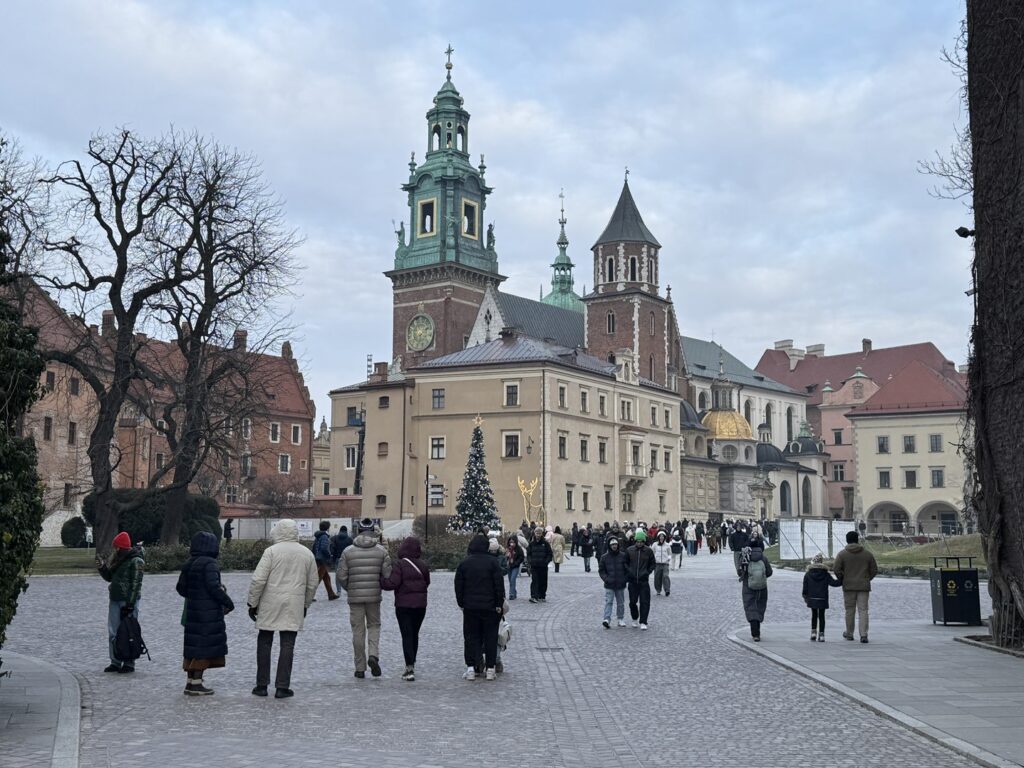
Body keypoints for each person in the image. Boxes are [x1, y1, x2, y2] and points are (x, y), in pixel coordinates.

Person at [246, 519, 318, 698]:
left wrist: (252, 603)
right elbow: (312, 584)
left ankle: (261, 685)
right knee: (288, 644)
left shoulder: (271, 551)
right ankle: (282, 686)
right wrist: (306, 604)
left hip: (270, 602)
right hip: (294, 602)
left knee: (264, 641)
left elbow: (258, 580)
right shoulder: (306, 553)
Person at [176, 531, 234, 695]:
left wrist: (194, 595)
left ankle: (190, 682)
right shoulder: (210, 564)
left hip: (193, 611)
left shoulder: (189, 563)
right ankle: (197, 684)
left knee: (193, 646)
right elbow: (214, 588)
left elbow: (180, 587)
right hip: (208, 613)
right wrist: (228, 602)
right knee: (204, 647)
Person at [337, 518, 392, 677]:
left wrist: (350, 587)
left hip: (355, 597)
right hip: (374, 596)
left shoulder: (347, 551)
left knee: (358, 630)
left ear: (358, 531)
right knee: (374, 626)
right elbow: (387, 574)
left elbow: (341, 575)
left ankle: (360, 668)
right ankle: (373, 655)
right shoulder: (381, 551)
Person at [454, 534, 505, 681]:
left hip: (470, 607)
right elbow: (499, 586)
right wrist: (498, 604)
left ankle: (471, 668)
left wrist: (461, 603)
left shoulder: (464, 564)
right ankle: (490, 668)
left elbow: (458, 586)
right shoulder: (493, 563)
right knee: (490, 637)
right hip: (490, 607)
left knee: (471, 637)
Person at [381, 536, 429, 681]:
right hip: (420, 606)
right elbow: (427, 582)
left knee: (406, 634)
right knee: (415, 634)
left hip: (403, 606)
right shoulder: (423, 565)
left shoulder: (399, 564)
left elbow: (392, 584)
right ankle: (412, 661)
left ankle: (409, 667)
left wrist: (380, 579)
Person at [97, 531, 144, 673]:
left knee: (128, 631)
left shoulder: (136, 561)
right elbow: (110, 577)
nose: (115, 550)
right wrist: (102, 568)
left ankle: (129, 663)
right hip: (115, 599)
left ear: (122, 547)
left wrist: (130, 605)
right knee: (113, 631)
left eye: (117, 547)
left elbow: (136, 584)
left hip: (128, 601)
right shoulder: (119, 560)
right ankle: (115, 661)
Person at [833, 530, 879, 643]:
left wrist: (842, 578)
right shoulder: (867, 554)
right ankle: (863, 634)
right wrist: (867, 578)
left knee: (850, 610)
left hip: (848, 586)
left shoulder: (842, 554)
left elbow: (836, 569)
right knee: (863, 610)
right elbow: (874, 570)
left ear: (847, 540)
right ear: (857, 540)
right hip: (863, 586)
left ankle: (849, 633)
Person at [803, 553, 842, 642]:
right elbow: (834, 583)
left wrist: (805, 597)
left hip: (812, 598)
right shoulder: (825, 574)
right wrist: (842, 579)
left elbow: (805, 587)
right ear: (822, 563)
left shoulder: (808, 574)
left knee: (814, 615)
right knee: (821, 616)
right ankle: (821, 635)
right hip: (822, 598)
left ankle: (813, 633)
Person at [738, 543, 773, 641]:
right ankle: (757, 630)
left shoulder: (745, 558)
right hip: (762, 587)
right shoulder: (763, 558)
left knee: (751, 608)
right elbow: (769, 572)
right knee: (759, 607)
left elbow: (739, 572)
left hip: (748, 587)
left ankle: (755, 634)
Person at [624, 530, 655, 629]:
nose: (639, 543)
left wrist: (647, 572)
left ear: (644, 541)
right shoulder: (629, 550)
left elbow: (652, 564)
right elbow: (625, 563)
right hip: (632, 581)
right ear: (635, 541)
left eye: (641, 541)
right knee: (632, 602)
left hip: (643, 580)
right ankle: (634, 618)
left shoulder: (648, 551)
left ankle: (643, 621)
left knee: (645, 602)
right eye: (638, 541)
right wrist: (629, 571)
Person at [599, 536, 628, 628]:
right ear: (609, 546)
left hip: (620, 583)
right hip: (609, 584)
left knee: (620, 603)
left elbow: (627, 569)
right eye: (612, 545)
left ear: (618, 545)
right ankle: (606, 619)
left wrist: (625, 579)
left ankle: (620, 618)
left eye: (615, 544)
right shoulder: (604, 557)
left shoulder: (623, 556)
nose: (614, 546)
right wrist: (606, 579)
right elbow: (601, 571)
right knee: (609, 602)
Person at [312, 521, 340, 601]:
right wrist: (329, 555)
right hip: (322, 559)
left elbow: (314, 547)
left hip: (318, 558)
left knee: (326, 577)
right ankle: (310, 595)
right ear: (328, 527)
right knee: (318, 578)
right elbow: (324, 548)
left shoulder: (318, 536)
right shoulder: (324, 536)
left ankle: (331, 594)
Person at [527, 526, 553, 602]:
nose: (538, 534)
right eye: (536, 533)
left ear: (542, 534)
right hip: (534, 565)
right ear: (534, 533)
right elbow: (529, 554)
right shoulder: (531, 544)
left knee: (543, 581)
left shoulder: (545, 543)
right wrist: (530, 561)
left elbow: (550, 554)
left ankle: (542, 595)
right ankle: (534, 596)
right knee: (534, 580)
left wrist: (546, 561)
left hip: (543, 566)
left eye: (539, 533)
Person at [652, 531, 672, 597]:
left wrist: (669, 558)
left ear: (664, 537)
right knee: (657, 577)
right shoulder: (655, 544)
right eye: (660, 536)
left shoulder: (667, 545)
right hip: (657, 564)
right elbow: (652, 553)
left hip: (665, 563)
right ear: (658, 537)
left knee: (665, 576)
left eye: (663, 536)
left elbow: (670, 553)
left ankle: (667, 590)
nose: (661, 537)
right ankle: (658, 590)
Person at [505, 534, 525, 599]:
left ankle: (511, 594)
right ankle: (514, 592)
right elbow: (505, 557)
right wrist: (507, 556)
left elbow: (521, 557)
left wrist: (516, 563)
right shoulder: (508, 549)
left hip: (515, 566)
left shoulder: (518, 549)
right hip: (509, 566)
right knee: (510, 581)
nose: (511, 544)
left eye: (513, 542)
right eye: (510, 542)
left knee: (513, 579)